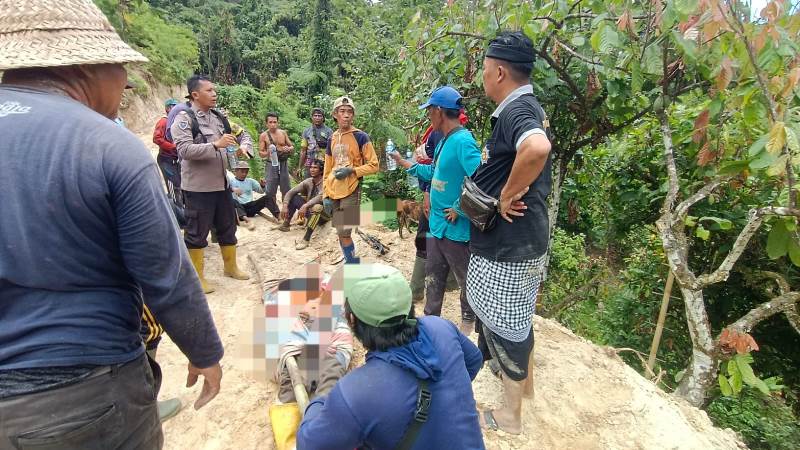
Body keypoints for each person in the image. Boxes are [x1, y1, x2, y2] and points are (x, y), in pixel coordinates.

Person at [0, 1, 223, 447]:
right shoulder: (106, 144)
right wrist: (204, 351)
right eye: (121, 68)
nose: (124, 83)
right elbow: (164, 272)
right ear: (88, 66)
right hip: (81, 391)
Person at [296, 264, 485, 450]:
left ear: (351, 320)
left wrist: (323, 395)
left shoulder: (356, 393)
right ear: (409, 306)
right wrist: (447, 394)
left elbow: (308, 443)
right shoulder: (441, 327)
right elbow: (474, 360)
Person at [466, 31, 553, 435]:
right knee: (515, 315)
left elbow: (536, 148)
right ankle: (524, 386)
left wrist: (505, 195)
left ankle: (510, 416)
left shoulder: (518, 111)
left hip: (510, 245)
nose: (483, 77)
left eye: (484, 70)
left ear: (499, 72)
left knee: (508, 323)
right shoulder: (525, 107)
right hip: (517, 241)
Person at [393, 87, 480, 335]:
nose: (428, 115)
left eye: (430, 110)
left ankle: (468, 323)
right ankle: (431, 320)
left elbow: (481, 179)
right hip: (437, 224)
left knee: (465, 278)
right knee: (433, 275)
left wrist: (459, 208)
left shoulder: (463, 141)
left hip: (455, 228)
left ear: (439, 111)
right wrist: (405, 164)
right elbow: (434, 173)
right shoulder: (443, 140)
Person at [171, 74, 251, 294]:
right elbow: (184, 150)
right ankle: (197, 278)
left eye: (214, 90)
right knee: (196, 232)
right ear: (195, 94)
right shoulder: (184, 120)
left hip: (221, 185)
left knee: (228, 226)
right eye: (209, 90)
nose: (214, 94)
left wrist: (245, 146)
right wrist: (216, 145)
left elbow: (243, 133)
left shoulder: (219, 117)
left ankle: (231, 267)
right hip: (198, 188)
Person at [322, 96, 379, 264]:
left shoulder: (361, 137)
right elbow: (327, 168)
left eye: (349, 112)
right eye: (342, 111)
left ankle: (353, 265)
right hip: (334, 190)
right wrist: (325, 194)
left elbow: (374, 165)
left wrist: (352, 170)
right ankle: (350, 261)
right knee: (340, 231)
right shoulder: (332, 138)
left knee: (344, 232)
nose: (346, 115)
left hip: (352, 189)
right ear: (335, 114)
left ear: (353, 115)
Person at [277, 159, 328, 247]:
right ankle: (286, 224)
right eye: (311, 167)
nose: (312, 169)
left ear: (321, 171)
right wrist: (285, 205)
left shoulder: (326, 182)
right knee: (294, 197)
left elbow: (320, 197)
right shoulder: (309, 181)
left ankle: (306, 239)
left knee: (317, 207)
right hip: (310, 211)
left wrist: (305, 205)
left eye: (315, 168)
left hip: (323, 215)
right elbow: (290, 192)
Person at [226, 161, 278, 231]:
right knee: (233, 201)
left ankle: (279, 217)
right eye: (242, 172)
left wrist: (262, 186)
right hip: (239, 208)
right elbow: (224, 191)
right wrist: (232, 189)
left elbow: (261, 191)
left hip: (250, 207)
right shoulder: (231, 181)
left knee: (268, 197)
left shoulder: (250, 181)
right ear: (236, 171)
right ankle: (248, 221)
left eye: (246, 172)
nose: (244, 174)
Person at [259, 112, 294, 208]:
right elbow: (261, 153)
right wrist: (268, 153)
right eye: (270, 122)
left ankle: (286, 210)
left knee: (286, 189)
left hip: (283, 163)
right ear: (266, 123)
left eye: (275, 122)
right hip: (271, 164)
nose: (273, 124)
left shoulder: (283, 133)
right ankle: (275, 212)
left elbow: (292, 146)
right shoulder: (263, 136)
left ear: (278, 122)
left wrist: (288, 149)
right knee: (270, 191)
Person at [153, 98, 181, 196]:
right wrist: (173, 146)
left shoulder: (175, 121)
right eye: (174, 107)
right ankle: (174, 205)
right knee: (173, 185)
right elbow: (156, 138)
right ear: (168, 108)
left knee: (179, 184)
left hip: (175, 159)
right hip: (166, 159)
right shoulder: (163, 122)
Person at [298, 107, 333, 178]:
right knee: (308, 182)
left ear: (323, 118)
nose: (317, 118)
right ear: (312, 117)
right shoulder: (307, 131)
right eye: (315, 115)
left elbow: (332, 150)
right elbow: (303, 150)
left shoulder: (329, 131)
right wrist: (300, 167)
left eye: (319, 116)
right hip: (309, 162)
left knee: (323, 182)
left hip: (323, 162)